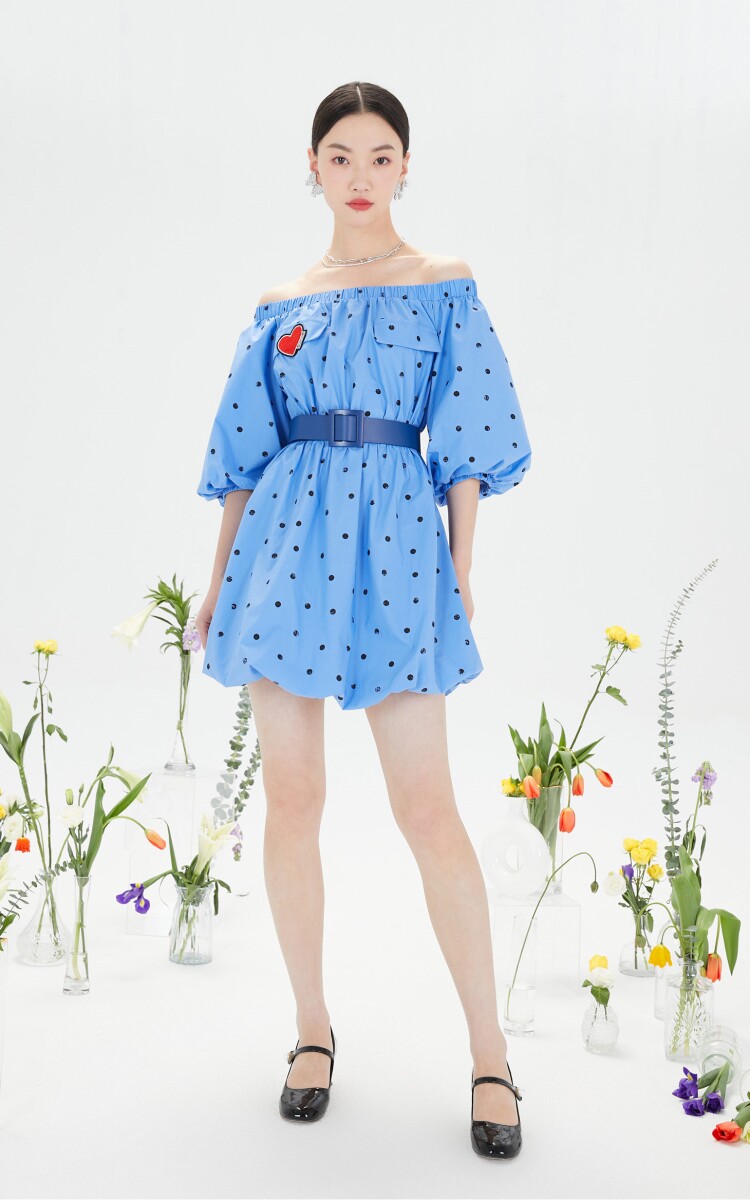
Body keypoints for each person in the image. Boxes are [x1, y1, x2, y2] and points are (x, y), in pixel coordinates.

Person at [195, 80, 532, 1159]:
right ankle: (311, 1030)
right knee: (292, 801)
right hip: (282, 548)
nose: (359, 175)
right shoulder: (280, 302)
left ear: (405, 167)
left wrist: (461, 569)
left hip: (396, 547)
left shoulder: (443, 285)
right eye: (339, 156)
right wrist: (217, 583)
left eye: (380, 155)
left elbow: (467, 438)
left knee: (428, 810)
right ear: (313, 165)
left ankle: (490, 1053)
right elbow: (243, 456)